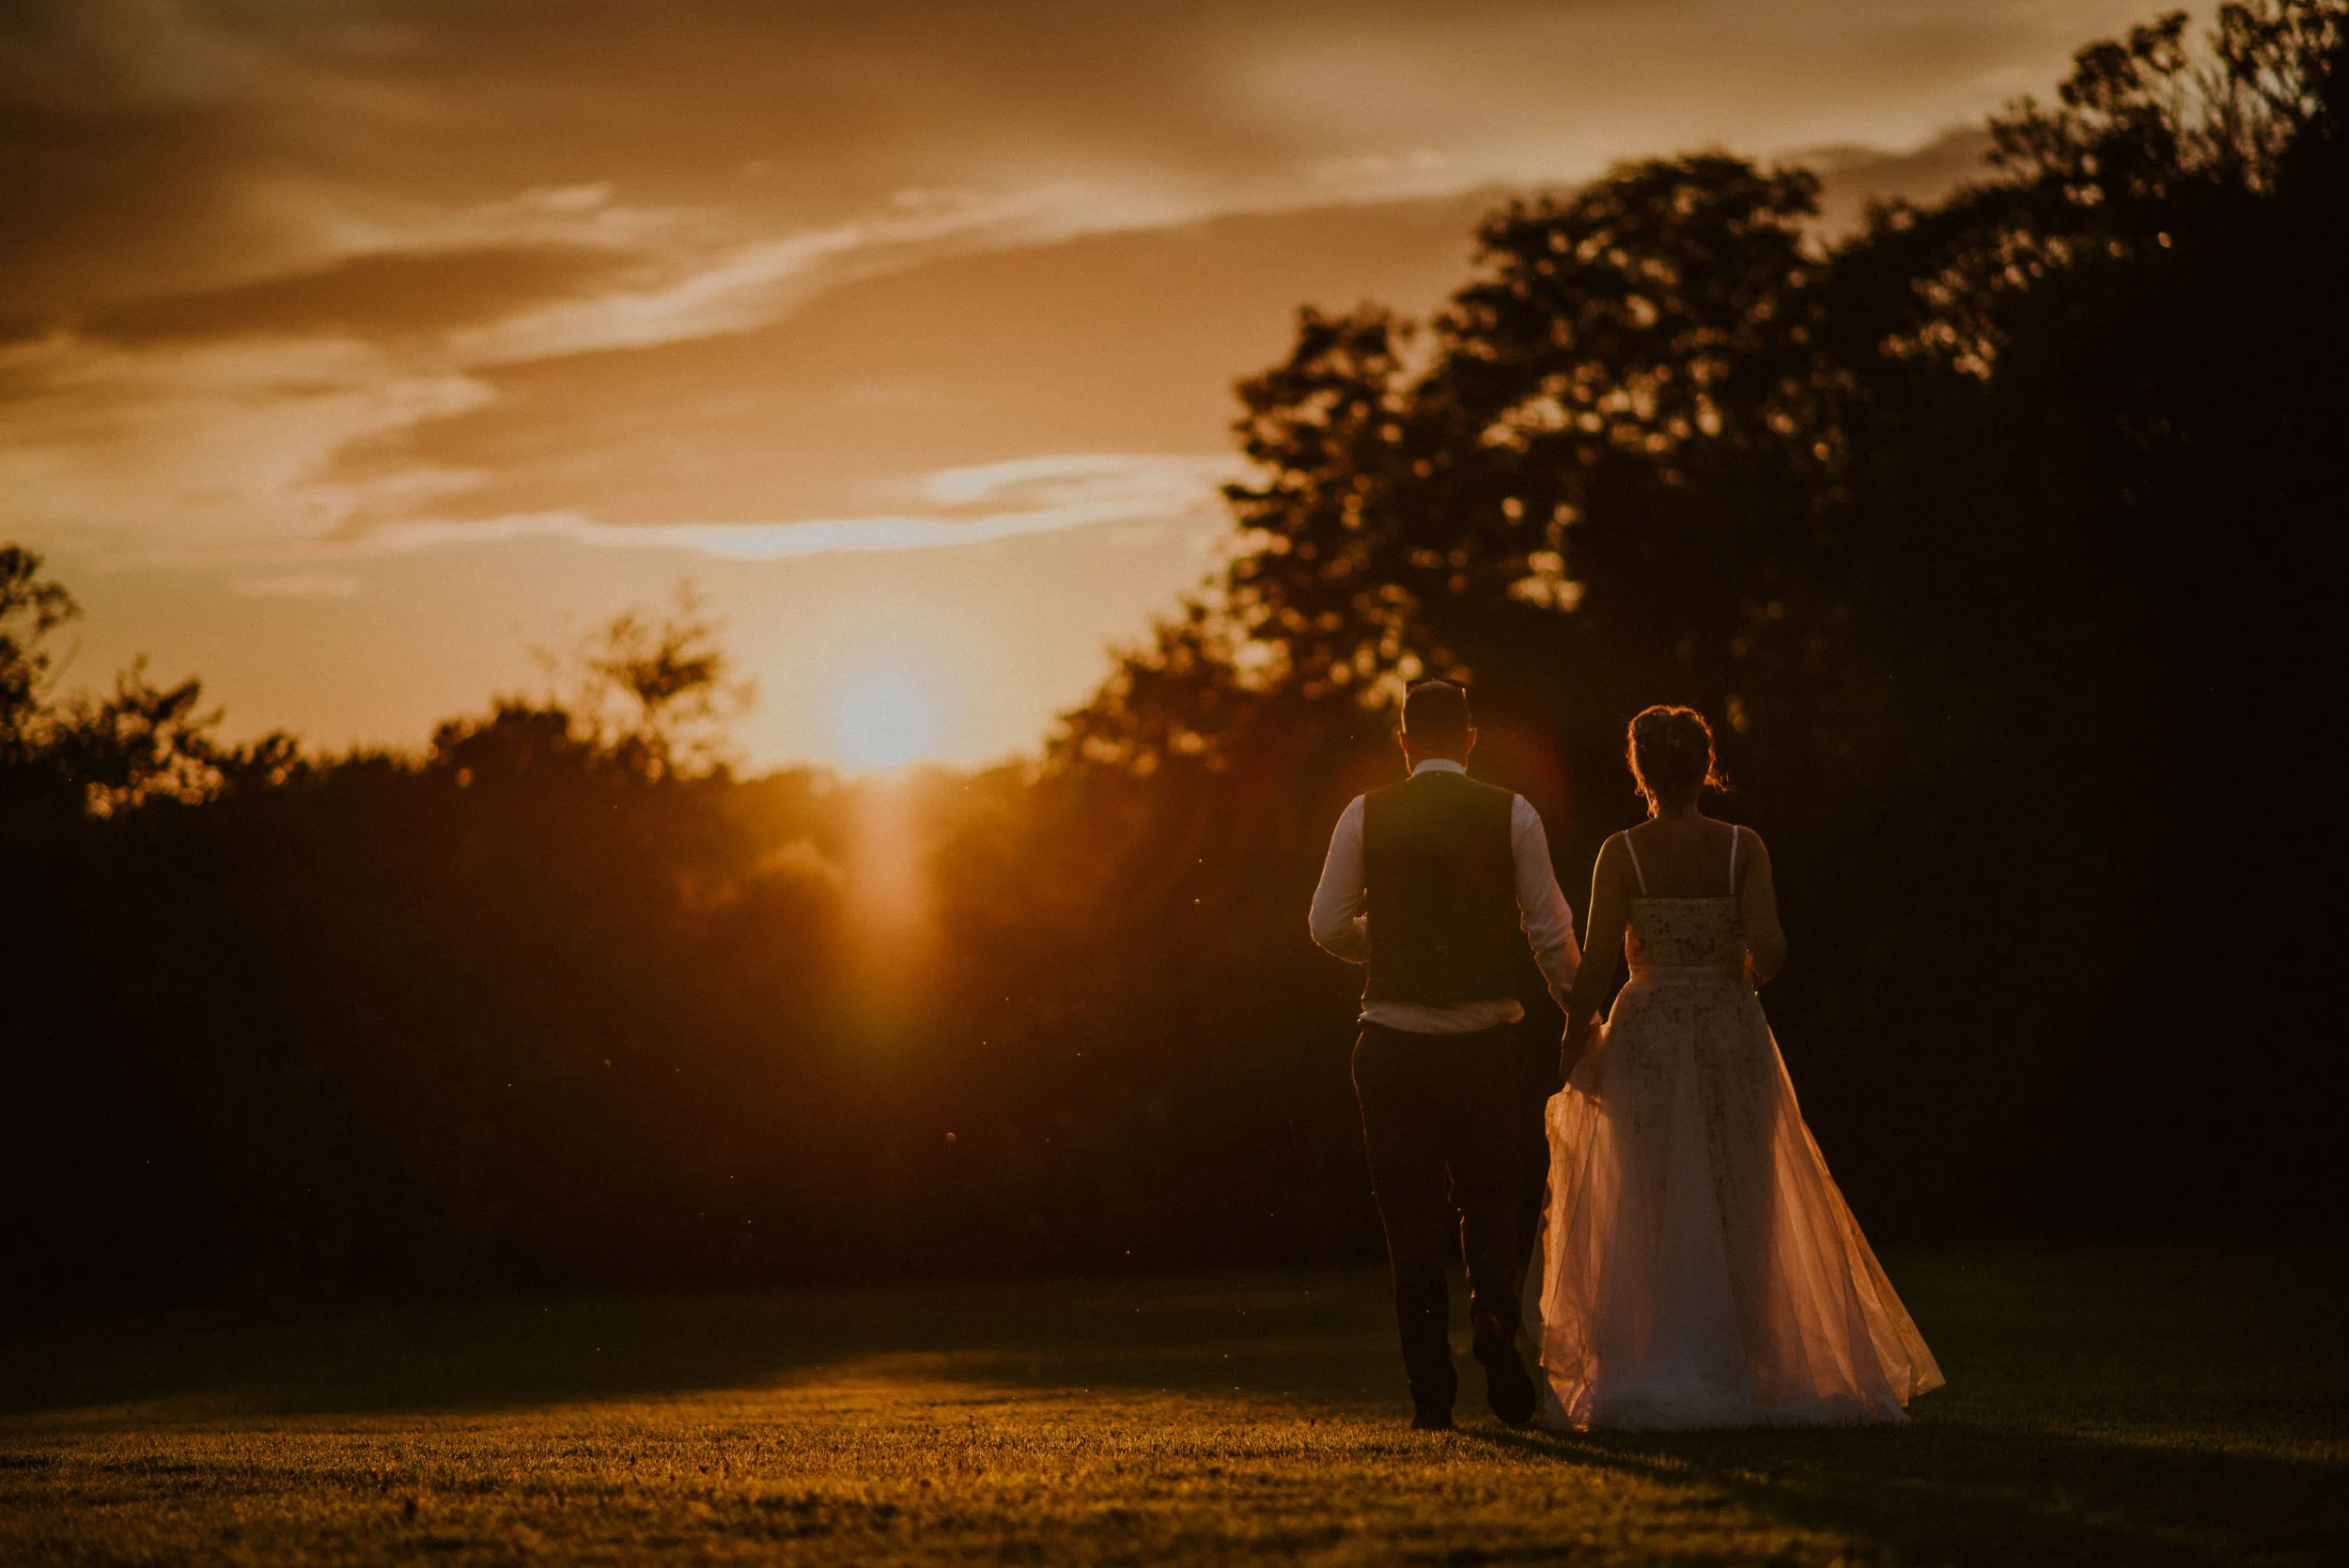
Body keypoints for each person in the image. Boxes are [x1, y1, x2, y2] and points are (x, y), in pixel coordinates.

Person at [1535, 706, 1944, 1429]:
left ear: (1640, 769)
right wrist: (1741, 969)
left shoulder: (1620, 852)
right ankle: (1751, 1362)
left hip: (1650, 1034)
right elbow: (1773, 947)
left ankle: (1665, 1355)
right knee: (1745, 1193)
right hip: (1729, 1028)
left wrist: (1574, 1040)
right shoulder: (1742, 846)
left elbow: (1596, 965)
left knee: (1652, 1195)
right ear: (1705, 765)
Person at [1310, 680, 1580, 1431]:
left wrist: (1386, 942)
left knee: (1410, 1220)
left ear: (1403, 742)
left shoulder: (1364, 812)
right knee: (1494, 1198)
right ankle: (1494, 1317)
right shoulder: (1512, 811)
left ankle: (1431, 1393)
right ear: (1467, 738)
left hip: (1393, 1044)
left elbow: (1326, 922)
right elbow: (1551, 930)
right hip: (1487, 1044)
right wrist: (1579, 1013)